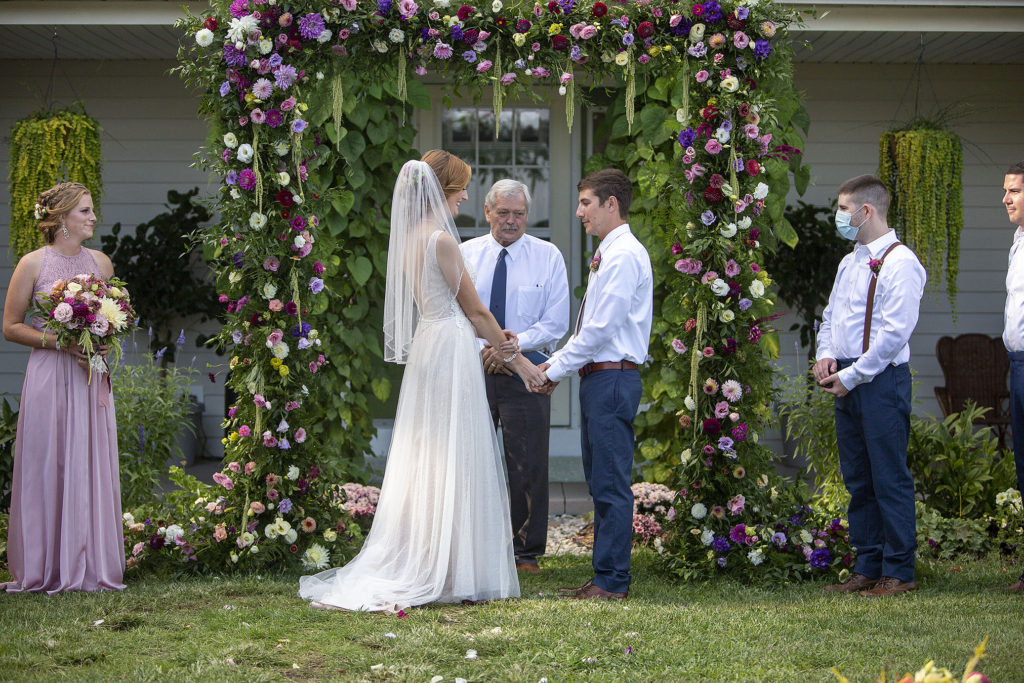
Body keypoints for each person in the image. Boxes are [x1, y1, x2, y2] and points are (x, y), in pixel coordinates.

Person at [298, 151, 546, 611]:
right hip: (450, 345)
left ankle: (438, 556)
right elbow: (476, 313)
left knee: (431, 451)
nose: (466, 197)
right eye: (461, 189)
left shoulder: (410, 238)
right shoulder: (442, 242)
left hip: (429, 343)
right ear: (442, 190)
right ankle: (449, 566)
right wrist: (522, 364)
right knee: (455, 450)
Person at [1, 181, 125, 594]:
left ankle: (89, 564)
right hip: (51, 376)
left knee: (89, 463)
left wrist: (104, 337)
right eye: (85, 211)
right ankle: (44, 566)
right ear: (61, 220)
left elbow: (111, 316)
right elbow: (10, 327)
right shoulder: (32, 264)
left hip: (90, 377)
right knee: (48, 463)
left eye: (91, 211)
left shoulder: (102, 263)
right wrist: (60, 342)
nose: (93, 218)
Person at [535, 168, 653, 601]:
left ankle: (612, 582)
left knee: (610, 482)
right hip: (600, 378)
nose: (580, 211)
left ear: (611, 203)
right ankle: (604, 576)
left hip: (613, 378)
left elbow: (600, 329)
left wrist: (551, 369)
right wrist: (562, 367)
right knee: (600, 478)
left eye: (586, 202)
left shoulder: (623, 255)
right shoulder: (611, 251)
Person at [815, 174, 926, 597]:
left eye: (843, 209)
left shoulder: (901, 263)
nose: (838, 217)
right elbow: (831, 316)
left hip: (880, 380)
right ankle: (868, 564)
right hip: (846, 375)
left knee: (888, 475)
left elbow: (894, 335)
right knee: (858, 476)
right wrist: (827, 352)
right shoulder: (850, 261)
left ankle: (899, 571)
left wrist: (852, 375)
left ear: (867, 211)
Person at [460, 179, 569, 574]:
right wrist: (488, 352)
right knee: (471, 459)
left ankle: (525, 552)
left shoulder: (548, 256)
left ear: (528, 215)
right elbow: (459, 317)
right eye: (503, 212)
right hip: (472, 368)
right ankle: (474, 546)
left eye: (519, 214)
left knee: (527, 462)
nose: (511, 221)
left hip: (528, 372)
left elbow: (555, 323)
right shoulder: (464, 254)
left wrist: (508, 348)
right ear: (487, 212)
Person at [1000, 161, 1024, 593]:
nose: (1005, 199)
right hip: (1017, 364)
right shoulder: (1018, 241)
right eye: (1006, 191)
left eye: (1015, 191)